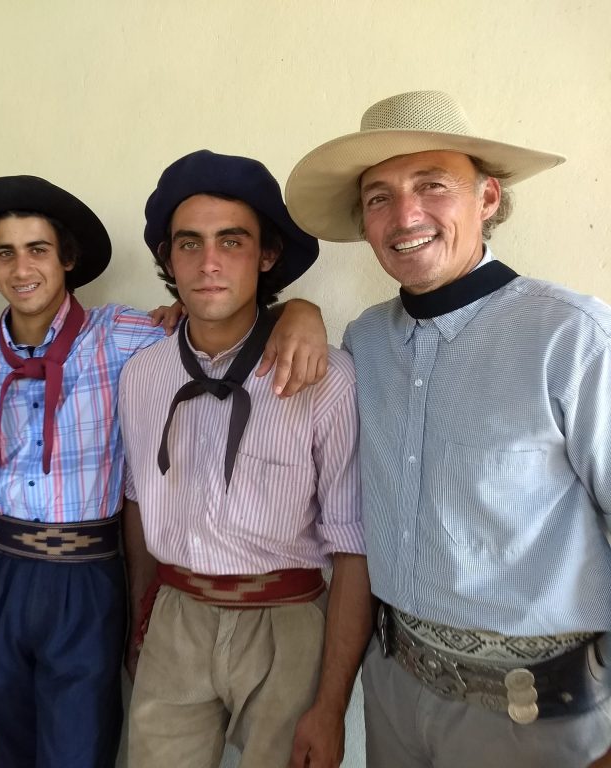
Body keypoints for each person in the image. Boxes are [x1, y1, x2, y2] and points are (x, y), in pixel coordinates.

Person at [0, 174, 331, 767]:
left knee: (80, 745)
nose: (22, 268)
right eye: (5, 252)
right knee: (8, 743)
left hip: (87, 571)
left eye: (38, 249)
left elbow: (216, 327)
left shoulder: (126, 337)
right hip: (0, 567)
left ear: (67, 258)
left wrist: (301, 310)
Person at [285, 89, 611, 768]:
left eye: (432, 185)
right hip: (395, 697)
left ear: (487, 198)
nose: (406, 215)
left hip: (540, 723)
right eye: (380, 196)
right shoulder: (366, 342)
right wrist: (297, 309)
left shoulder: (572, 337)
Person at [120, 150, 370, 768]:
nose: (208, 264)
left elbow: (354, 543)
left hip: (287, 621)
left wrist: (332, 704)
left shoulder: (325, 377)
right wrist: (139, 615)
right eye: (189, 243)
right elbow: (137, 504)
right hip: (175, 617)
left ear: (266, 255)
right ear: (167, 258)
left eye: (231, 242)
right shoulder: (142, 374)